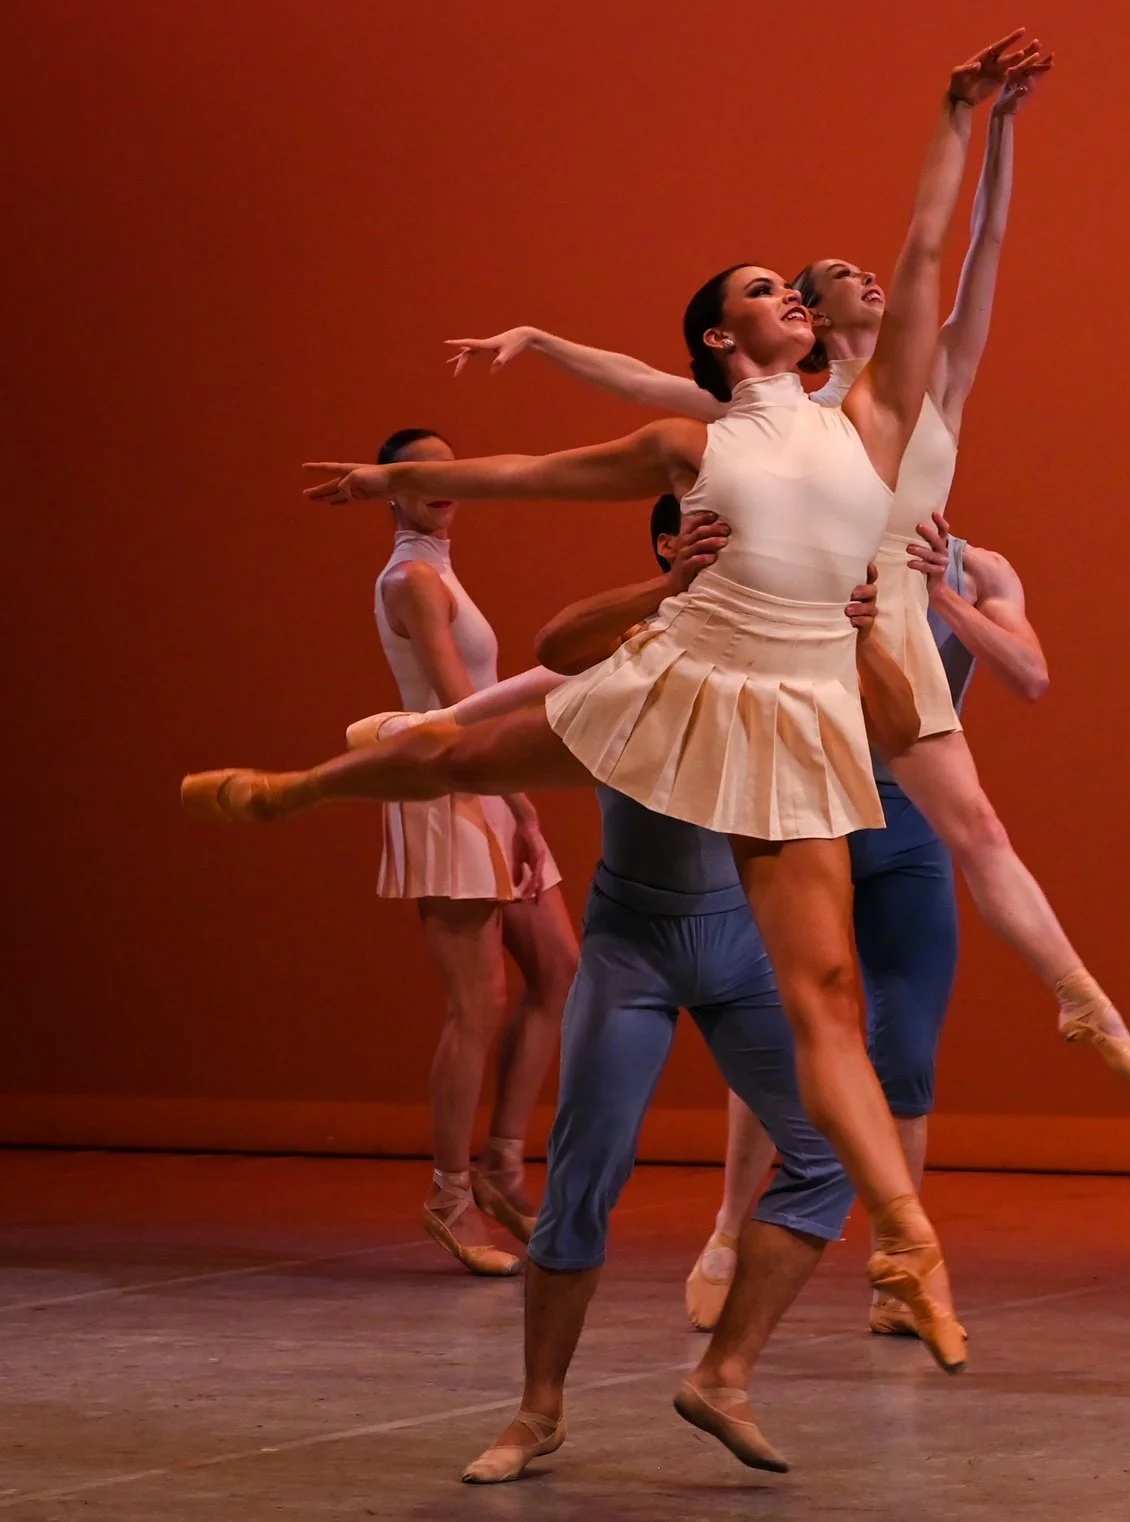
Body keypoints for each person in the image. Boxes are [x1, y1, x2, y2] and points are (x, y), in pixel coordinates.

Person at [181, 31, 1055, 1374]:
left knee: (825, 996)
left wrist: (960, 114)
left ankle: (906, 1244)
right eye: (770, 291)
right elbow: (536, 469)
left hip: (795, 716)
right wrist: (385, 485)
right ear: (725, 337)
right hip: (692, 674)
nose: (795, 296)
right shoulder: (688, 442)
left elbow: (930, 255)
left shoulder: (871, 418)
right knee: (458, 755)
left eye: (793, 286)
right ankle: (291, 786)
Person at [441, 48, 1130, 1094]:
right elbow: (647, 377)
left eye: (860, 272)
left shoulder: (931, 381)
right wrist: (543, 339)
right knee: (614, 684)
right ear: (810, 321)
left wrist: (1003, 126)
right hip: (797, 616)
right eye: (829, 280)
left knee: (979, 828)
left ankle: (1081, 996)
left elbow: (979, 243)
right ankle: (434, 729)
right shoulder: (790, 412)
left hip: (886, 625)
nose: (863, 277)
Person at [463, 511, 916, 1483]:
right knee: (586, 1175)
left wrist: (862, 635)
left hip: (739, 942)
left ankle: (726, 1376)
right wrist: (666, 587)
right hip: (632, 944)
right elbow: (549, 653)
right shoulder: (641, 644)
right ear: (679, 544)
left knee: (830, 1147)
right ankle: (537, 1411)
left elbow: (901, 729)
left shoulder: (793, 649)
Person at [688, 507, 1052, 1336]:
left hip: (909, 817)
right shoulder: (811, 537)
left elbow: (1031, 676)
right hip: (811, 802)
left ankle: (901, 1269)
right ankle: (727, 1232)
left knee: (906, 1049)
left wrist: (943, 601)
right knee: (785, 1028)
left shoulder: (980, 565)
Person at [364, 427, 580, 1275]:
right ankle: (449, 1193)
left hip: (488, 780)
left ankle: (500, 1164)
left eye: (451, 469)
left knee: (559, 970)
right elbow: (460, 701)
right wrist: (521, 798)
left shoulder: (441, 568)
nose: (442, 482)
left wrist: (515, 797)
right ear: (390, 492)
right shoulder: (414, 578)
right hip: (448, 784)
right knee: (477, 1001)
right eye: (420, 472)